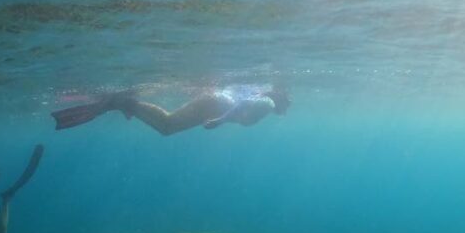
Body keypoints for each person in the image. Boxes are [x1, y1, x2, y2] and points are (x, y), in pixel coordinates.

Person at [50, 85, 290, 135]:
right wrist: (220, 120)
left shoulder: (264, 102)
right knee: (168, 125)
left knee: (167, 126)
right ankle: (125, 102)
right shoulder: (267, 104)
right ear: (279, 99)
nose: (286, 111)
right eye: (286, 105)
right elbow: (243, 105)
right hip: (214, 105)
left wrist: (221, 118)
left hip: (213, 103)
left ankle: (125, 103)